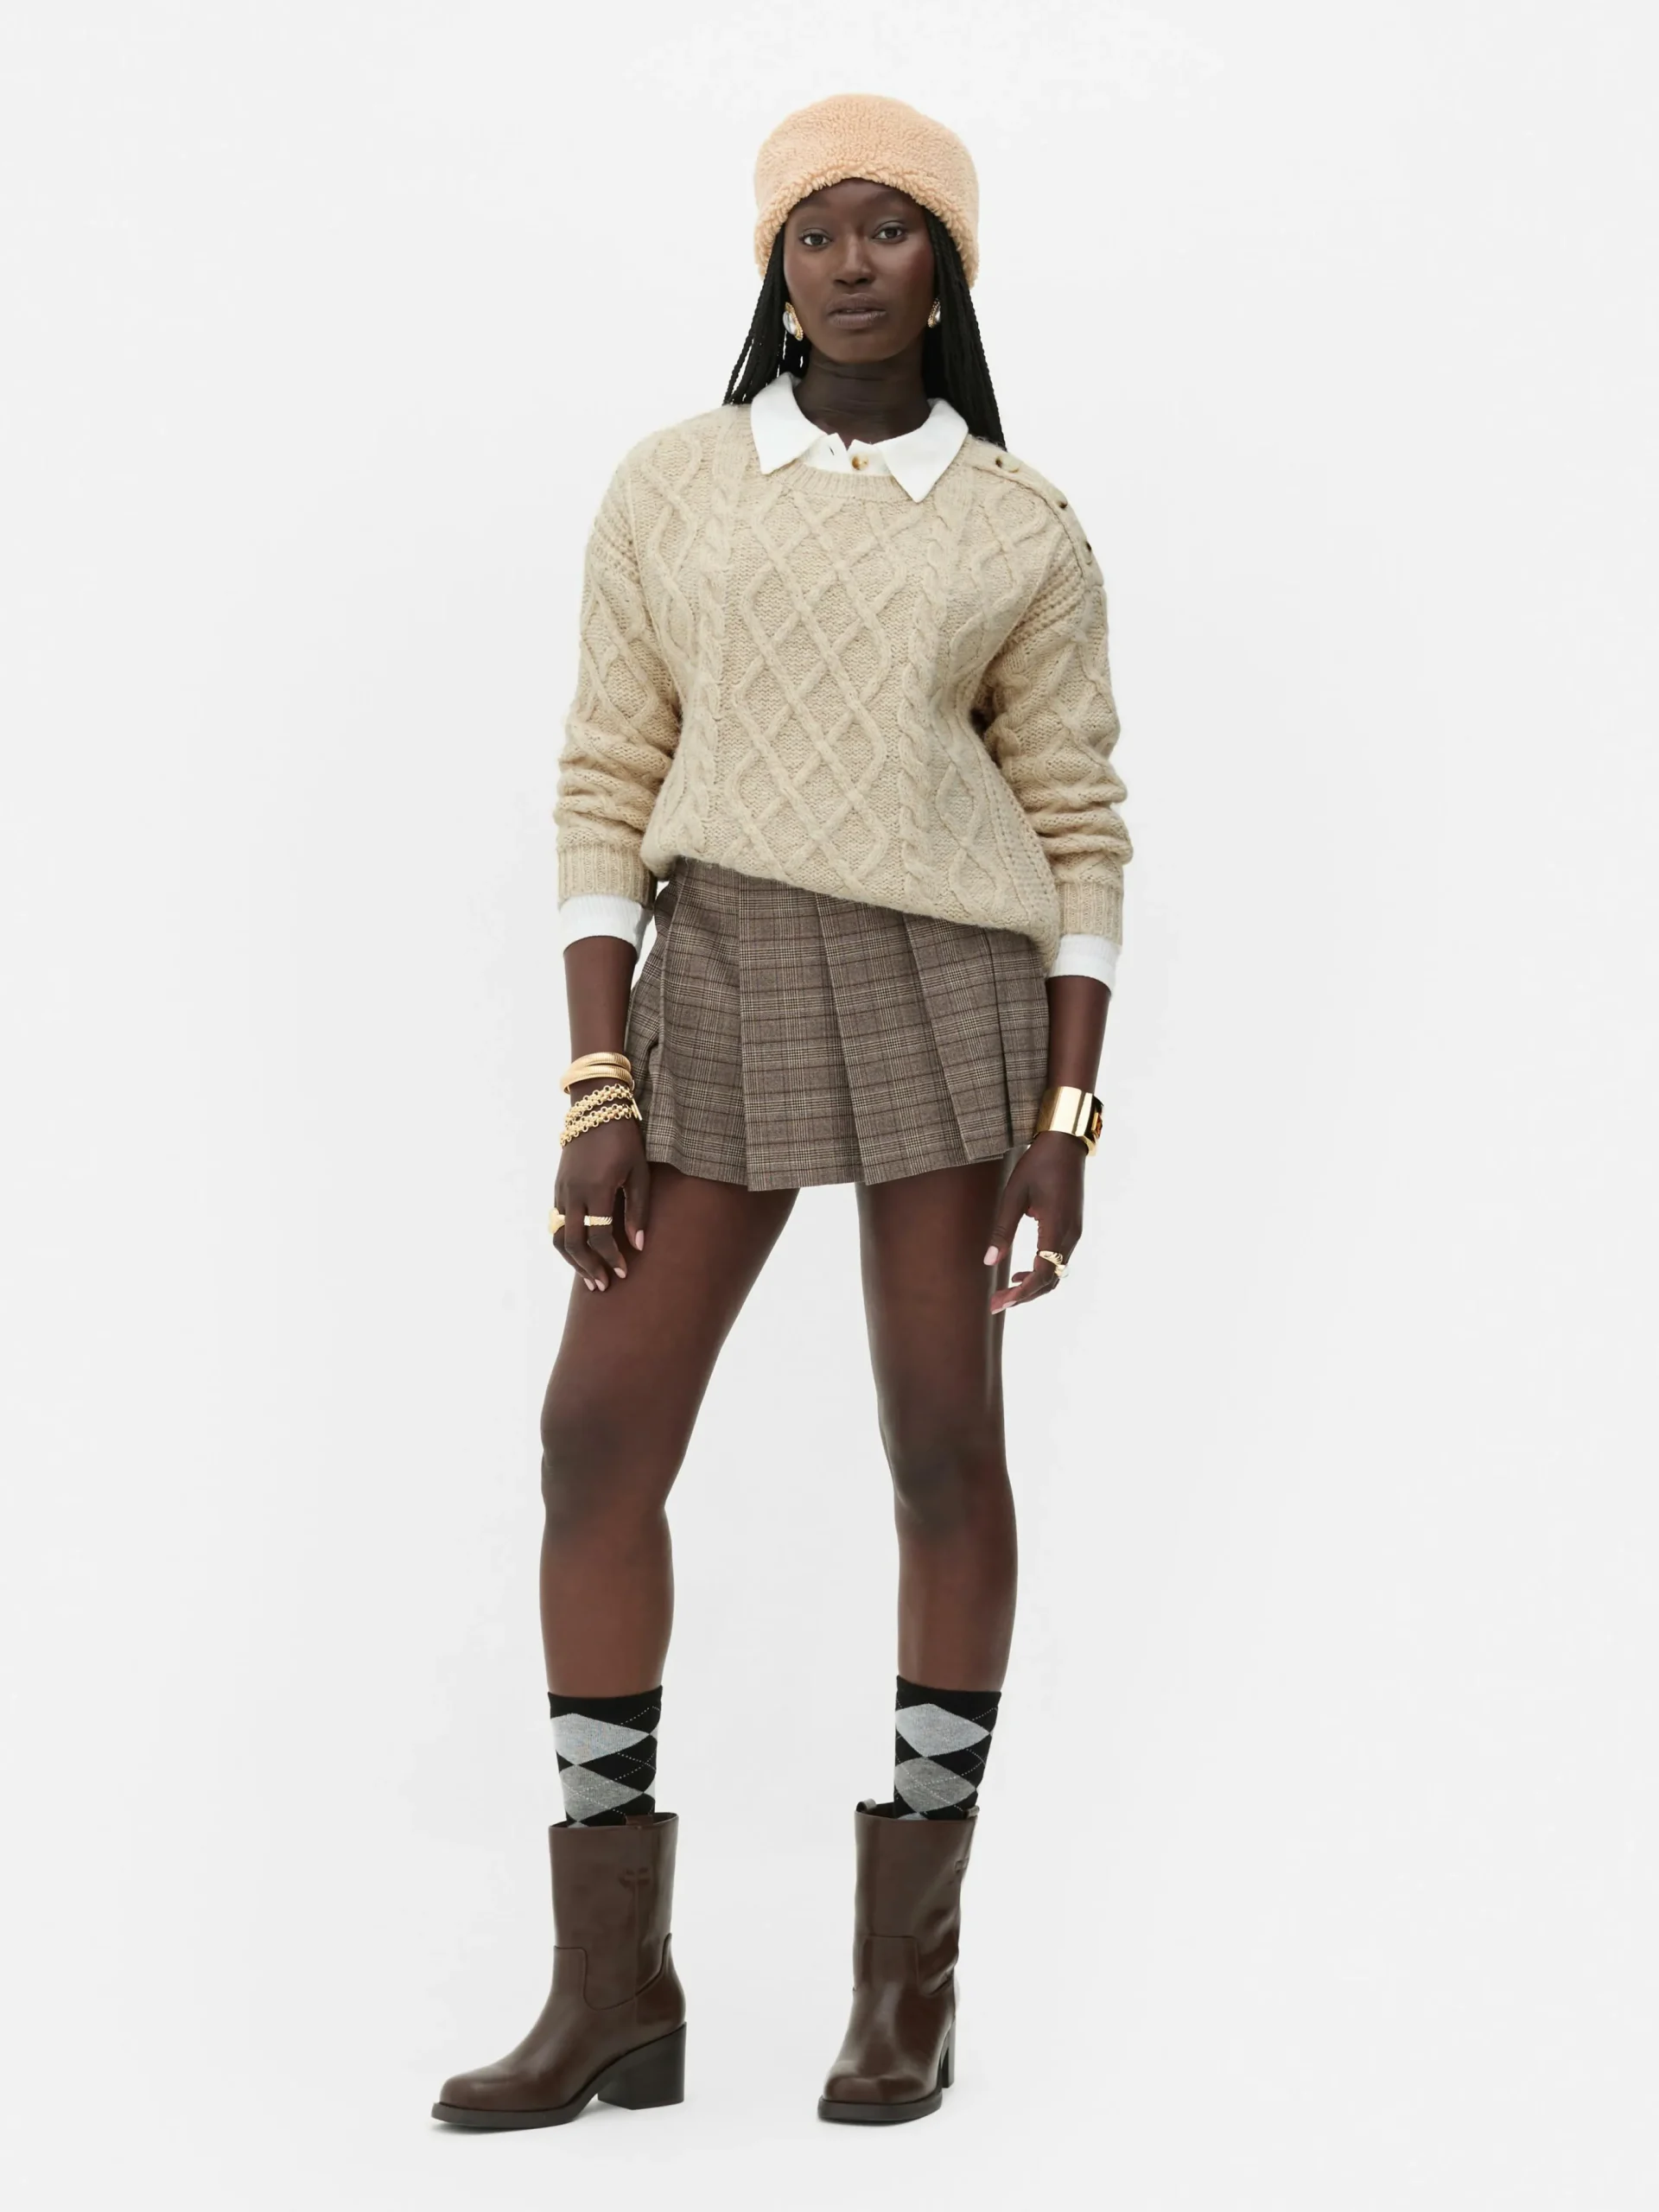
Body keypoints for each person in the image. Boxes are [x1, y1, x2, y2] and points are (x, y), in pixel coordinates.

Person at [432, 90, 1130, 2133]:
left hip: (946, 986)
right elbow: (605, 771)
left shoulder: (1018, 526)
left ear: (947, 262)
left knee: (940, 1448)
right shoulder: (673, 485)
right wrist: (597, 1072)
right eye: (813, 229)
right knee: (593, 1438)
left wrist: (1066, 1116)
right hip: (717, 972)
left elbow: (1076, 816)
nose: (848, 261)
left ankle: (906, 1991)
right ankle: (611, 1988)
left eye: (888, 226)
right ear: (774, 262)